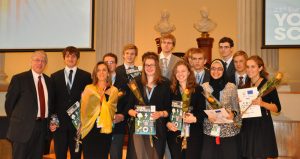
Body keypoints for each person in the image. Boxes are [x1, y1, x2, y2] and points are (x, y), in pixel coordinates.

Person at [5, 50, 53, 159]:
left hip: (42, 129)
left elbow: (51, 105)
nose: (40, 63)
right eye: (37, 60)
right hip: (22, 130)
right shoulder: (19, 79)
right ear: (31, 62)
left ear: (46, 64)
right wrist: (18, 121)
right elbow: (9, 104)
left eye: (43, 61)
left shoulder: (49, 82)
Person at [126, 52, 172, 159]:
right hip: (138, 128)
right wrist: (133, 113)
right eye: (147, 65)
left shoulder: (165, 84)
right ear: (143, 67)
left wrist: (160, 113)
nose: (149, 67)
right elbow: (128, 108)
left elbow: (169, 109)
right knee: (137, 155)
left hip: (158, 129)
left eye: (152, 65)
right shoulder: (135, 82)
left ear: (157, 66)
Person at [50, 46, 92, 159]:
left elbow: (89, 102)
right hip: (60, 125)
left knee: (76, 155)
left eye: (73, 56)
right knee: (60, 155)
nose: (70, 58)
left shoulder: (86, 76)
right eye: (68, 56)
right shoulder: (54, 77)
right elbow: (52, 101)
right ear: (64, 58)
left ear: (77, 58)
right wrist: (53, 120)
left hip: (78, 124)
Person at [241, 55, 281, 159]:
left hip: (261, 126)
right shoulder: (245, 85)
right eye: (247, 66)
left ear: (260, 68)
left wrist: (262, 103)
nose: (249, 70)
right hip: (247, 126)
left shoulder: (268, 85)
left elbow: (277, 108)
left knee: (259, 155)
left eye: (253, 67)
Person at [201, 59, 241, 159]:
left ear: (224, 71)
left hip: (228, 131)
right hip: (210, 130)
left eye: (220, 69)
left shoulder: (231, 87)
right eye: (213, 69)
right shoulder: (204, 87)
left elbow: (237, 109)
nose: (216, 72)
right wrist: (208, 116)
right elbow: (200, 108)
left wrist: (233, 114)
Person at [166, 60, 206, 159]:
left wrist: (195, 119)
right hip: (175, 133)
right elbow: (166, 110)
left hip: (194, 133)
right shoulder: (170, 90)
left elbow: (203, 111)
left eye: (183, 71)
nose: (180, 74)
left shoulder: (198, 89)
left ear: (189, 72)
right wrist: (167, 123)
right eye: (177, 71)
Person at [80, 61, 119, 159]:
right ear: (95, 73)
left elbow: (112, 108)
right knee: (89, 155)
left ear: (108, 73)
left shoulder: (114, 90)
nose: (101, 73)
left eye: (104, 70)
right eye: (98, 70)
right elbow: (83, 110)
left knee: (102, 155)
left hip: (104, 128)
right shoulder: (89, 88)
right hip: (89, 127)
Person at [112, 44, 141, 159]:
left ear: (136, 56)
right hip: (120, 112)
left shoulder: (139, 72)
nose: (129, 56)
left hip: (134, 111)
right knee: (117, 145)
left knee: (134, 143)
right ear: (123, 55)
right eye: (127, 53)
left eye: (132, 53)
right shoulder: (116, 71)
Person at [103, 53, 126, 159]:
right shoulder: (96, 81)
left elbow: (129, 102)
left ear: (116, 64)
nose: (108, 64)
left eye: (111, 62)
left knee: (115, 155)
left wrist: (122, 115)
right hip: (101, 125)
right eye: (106, 62)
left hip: (117, 124)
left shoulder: (125, 81)